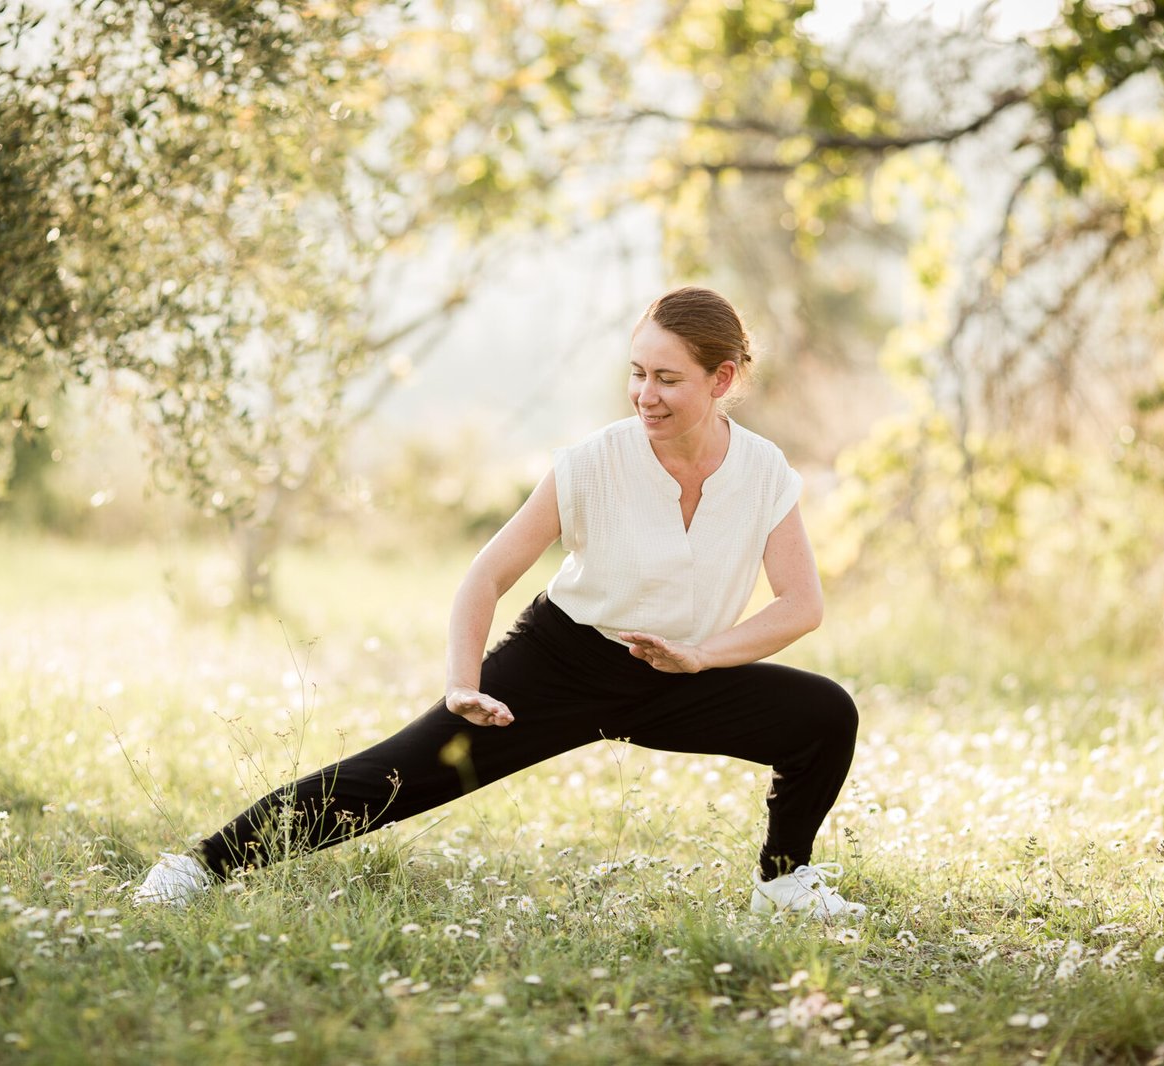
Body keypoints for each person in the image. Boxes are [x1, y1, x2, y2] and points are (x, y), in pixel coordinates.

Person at [134, 286, 863, 919]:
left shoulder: (763, 472)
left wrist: (701, 657)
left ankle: (784, 881)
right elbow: (484, 577)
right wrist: (462, 684)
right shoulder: (593, 463)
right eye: (637, 374)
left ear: (722, 378)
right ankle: (199, 866)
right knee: (395, 778)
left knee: (824, 716)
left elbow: (800, 604)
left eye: (668, 378)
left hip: (681, 674)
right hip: (561, 663)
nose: (645, 395)